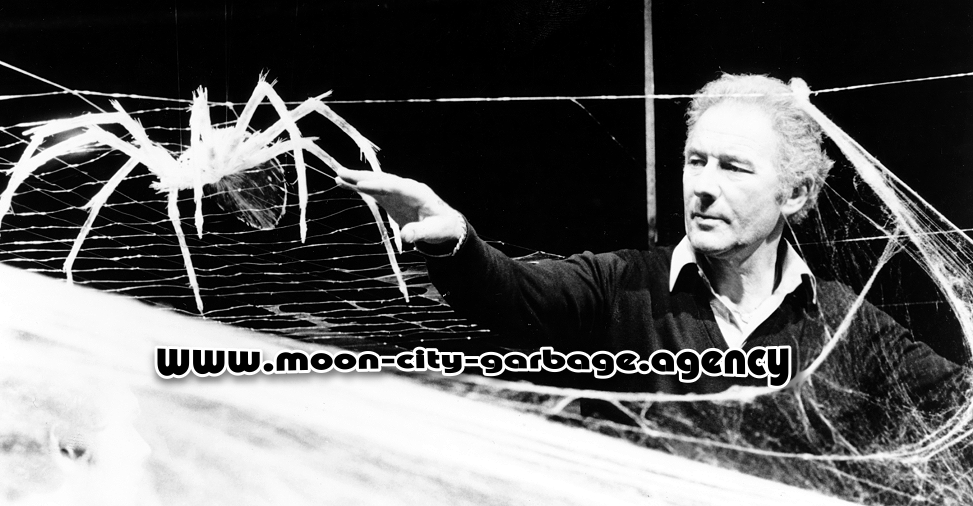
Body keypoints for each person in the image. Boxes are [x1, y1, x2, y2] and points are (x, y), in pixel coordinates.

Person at [336, 74, 963, 415]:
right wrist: (457, 244)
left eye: (733, 168)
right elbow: (513, 290)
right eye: (696, 161)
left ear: (795, 194)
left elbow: (958, 404)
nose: (704, 186)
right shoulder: (620, 286)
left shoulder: (849, 327)